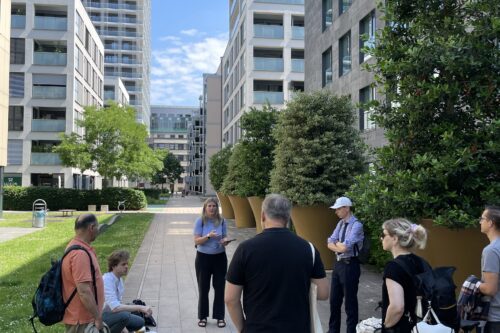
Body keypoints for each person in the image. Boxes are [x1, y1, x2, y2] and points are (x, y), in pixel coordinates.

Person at [225, 194, 329, 332]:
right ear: (288, 217)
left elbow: (231, 299)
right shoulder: (308, 249)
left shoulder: (245, 249)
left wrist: (243, 328)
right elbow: (323, 293)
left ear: (263, 216)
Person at [380, 218, 428, 332]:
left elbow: (397, 307)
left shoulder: (393, 267)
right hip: (421, 327)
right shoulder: (422, 262)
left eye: (383, 234)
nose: (381, 238)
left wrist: (385, 325)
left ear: (395, 238)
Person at [62, 214, 105, 333]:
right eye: (97, 226)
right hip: (82, 319)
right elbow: (84, 291)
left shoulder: (76, 246)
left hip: (83, 317)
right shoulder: (80, 254)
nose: (98, 230)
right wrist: (97, 317)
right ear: (91, 227)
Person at [327, 196, 364, 333]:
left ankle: (351, 331)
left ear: (346, 208)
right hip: (338, 265)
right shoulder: (341, 223)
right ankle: (333, 331)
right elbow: (330, 241)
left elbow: (345, 247)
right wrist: (338, 246)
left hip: (350, 265)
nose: (336, 211)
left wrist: (337, 246)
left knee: (350, 303)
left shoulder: (357, 225)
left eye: (338, 209)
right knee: (334, 301)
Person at [193, 197, 230, 328]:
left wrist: (225, 241)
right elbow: (196, 241)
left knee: (220, 288)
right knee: (204, 288)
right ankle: (202, 316)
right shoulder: (200, 221)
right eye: (209, 206)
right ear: (205, 207)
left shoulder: (222, 221)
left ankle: (220, 317)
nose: (212, 208)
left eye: (214, 206)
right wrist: (208, 236)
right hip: (203, 258)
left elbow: (225, 235)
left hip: (220, 258)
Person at [102, 250, 154, 333]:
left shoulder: (119, 280)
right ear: (113, 266)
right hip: (100, 317)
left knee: (139, 322)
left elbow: (117, 308)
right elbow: (115, 308)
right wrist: (141, 307)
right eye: (123, 264)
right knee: (125, 316)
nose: (126, 266)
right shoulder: (106, 280)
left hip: (112, 314)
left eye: (127, 264)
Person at [479, 205, 500, 332]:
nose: (480, 222)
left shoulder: (491, 250)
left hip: (495, 319)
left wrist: (473, 284)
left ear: (490, 223)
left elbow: (490, 289)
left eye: (482, 219)